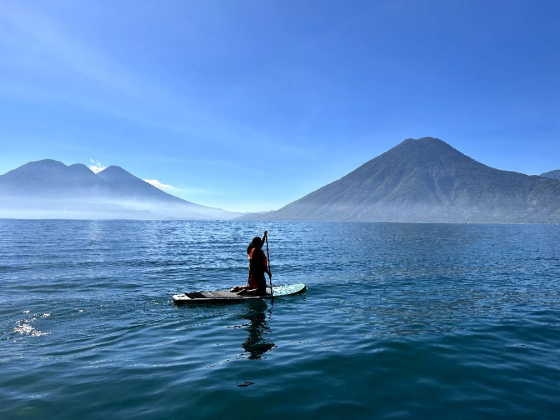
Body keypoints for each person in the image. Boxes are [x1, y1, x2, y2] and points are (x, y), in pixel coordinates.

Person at [230, 231, 272, 296]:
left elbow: (261, 244)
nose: (261, 243)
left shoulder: (251, 249)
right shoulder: (258, 252)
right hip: (258, 273)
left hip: (251, 273)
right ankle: (245, 292)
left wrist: (264, 235)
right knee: (262, 290)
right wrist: (268, 272)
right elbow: (261, 265)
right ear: (258, 243)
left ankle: (238, 288)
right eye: (260, 242)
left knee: (252, 286)